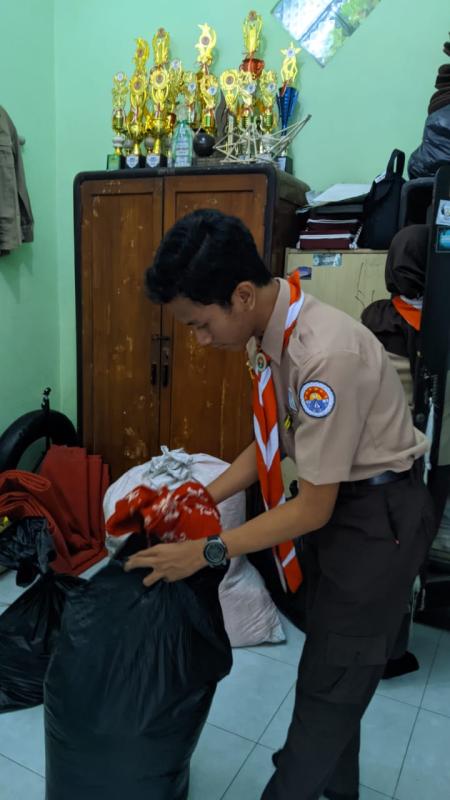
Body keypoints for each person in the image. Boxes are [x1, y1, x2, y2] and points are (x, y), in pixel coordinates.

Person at [124, 209, 435, 800]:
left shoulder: (324, 357)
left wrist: (207, 550)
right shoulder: (273, 332)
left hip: (376, 522)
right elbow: (275, 439)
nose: (198, 340)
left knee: (329, 684)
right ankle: (338, 789)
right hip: (342, 505)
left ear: (242, 295)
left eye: (200, 324)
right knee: (333, 671)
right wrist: (196, 496)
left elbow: (312, 508)